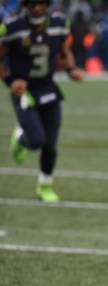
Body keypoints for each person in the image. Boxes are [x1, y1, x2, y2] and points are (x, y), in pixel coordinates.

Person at [0, 0, 85, 202]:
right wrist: (10, 81)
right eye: (32, 4)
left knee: (50, 143)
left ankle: (44, 185)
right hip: (24, 91)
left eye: (41, 4)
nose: (37, 8)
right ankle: (21, 138)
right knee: (37, 140)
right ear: (25, 5)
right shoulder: (12, 27)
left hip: (48, 87)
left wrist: (71, 68)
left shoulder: (59, 24)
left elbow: (65, 52)